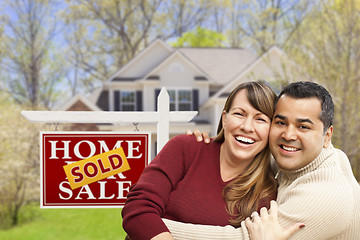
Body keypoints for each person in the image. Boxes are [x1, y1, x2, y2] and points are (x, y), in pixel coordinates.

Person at [163, 81, 360, 239]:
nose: (289, 135)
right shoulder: (294, 161)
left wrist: (153, 226)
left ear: (327, 136)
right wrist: (211, 145)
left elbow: (242, 238)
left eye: (303, 127)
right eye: (281, 122)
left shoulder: (326, 197)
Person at [121, 82, 280, 240]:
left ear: (271, 130)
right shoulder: (186, 148)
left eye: (260, 119)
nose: (247, 127)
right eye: (239, 114)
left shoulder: (266, 192)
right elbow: (138, 208)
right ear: (224, 119)